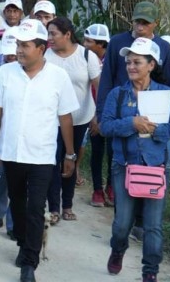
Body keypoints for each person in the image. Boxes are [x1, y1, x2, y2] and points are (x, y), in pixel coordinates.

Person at [0, 19, 79, 282]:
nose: (19, 50)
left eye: (25, 45)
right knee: (17, 204)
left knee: (36, 207)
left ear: (41, 48)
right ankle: (24, 244)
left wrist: (70, 154)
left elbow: (66, 118)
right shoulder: (5, 73)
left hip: (42, 155)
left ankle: (29, 263)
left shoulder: (58, 77)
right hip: (11, 154)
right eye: (17, 44)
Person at [101, 37, 170, 282]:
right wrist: (132, 123)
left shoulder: (166, 94)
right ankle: (118, 249)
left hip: (156, 167)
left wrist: (156, 129)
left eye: (137, 62)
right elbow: (105, 127)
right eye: (128, 62)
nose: (131, 67)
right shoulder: (117, 94)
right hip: (124, 166)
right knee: (122, 223)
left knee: (153, 225)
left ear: (151, 65)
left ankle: (150, 272)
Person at [44, 17, 101, 223]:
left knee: (71, 159)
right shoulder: (45, 55)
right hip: (51, 121)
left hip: (80, 119)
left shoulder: (87, 56)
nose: (49, 38)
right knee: (52, 162)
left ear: (67, 34)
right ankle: (54, 207)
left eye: (54, 34)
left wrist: (98, 115)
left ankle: (67, 204)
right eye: (48, 34)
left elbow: (98, 87)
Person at [83, 23, 114, 207]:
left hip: (110, 114)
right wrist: (94, 115)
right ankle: (97, 190)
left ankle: (111, 187)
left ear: (101, 44)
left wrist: (105, 114)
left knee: (112, 152)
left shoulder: (112, 61)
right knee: (97, 151)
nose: (84, 44)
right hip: (92, 114)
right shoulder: (85, 58)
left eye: (89, 41)